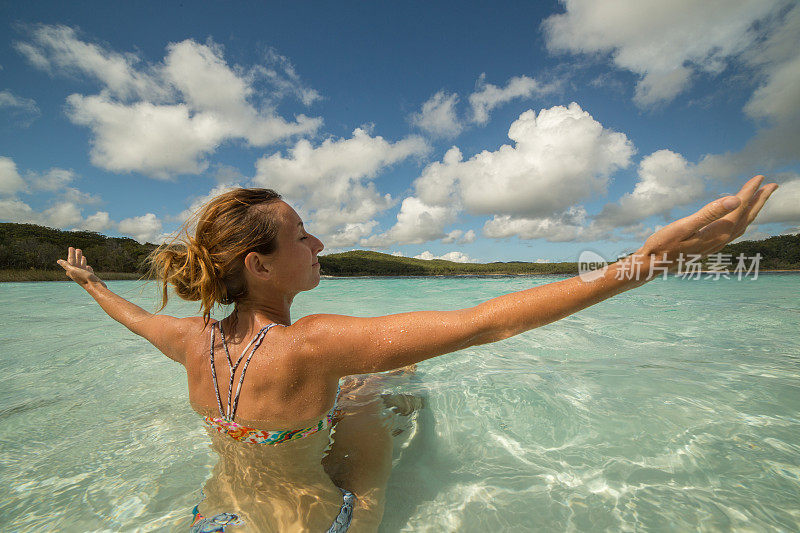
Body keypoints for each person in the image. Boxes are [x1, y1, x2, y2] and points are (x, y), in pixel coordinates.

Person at [57, 175, 777, 532]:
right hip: (319, 523)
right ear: (259, 264)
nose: (318, 245)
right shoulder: (314, 343)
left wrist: (90, 282)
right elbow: (487, 322)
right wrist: (644, 263)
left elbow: (128, 316)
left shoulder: (191, 340)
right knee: (373, 388)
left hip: (215, 518)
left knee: (364, 380)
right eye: (302, 234)